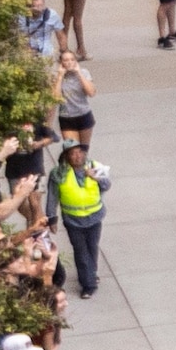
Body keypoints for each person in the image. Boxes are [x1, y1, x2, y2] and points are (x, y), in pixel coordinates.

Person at [52, 118, 112, 295]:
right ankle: (88, 285)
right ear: (67, 157)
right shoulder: (59, 174)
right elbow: (53, 197)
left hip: (94, 217)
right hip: (73, 221)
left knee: (92, 247)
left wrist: (97, 178)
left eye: (80, 152)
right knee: (80, 252)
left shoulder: (95, 166)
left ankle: (91, 274)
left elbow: (107, 185)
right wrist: (52, 218)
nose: (77, 156)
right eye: (73, 153)